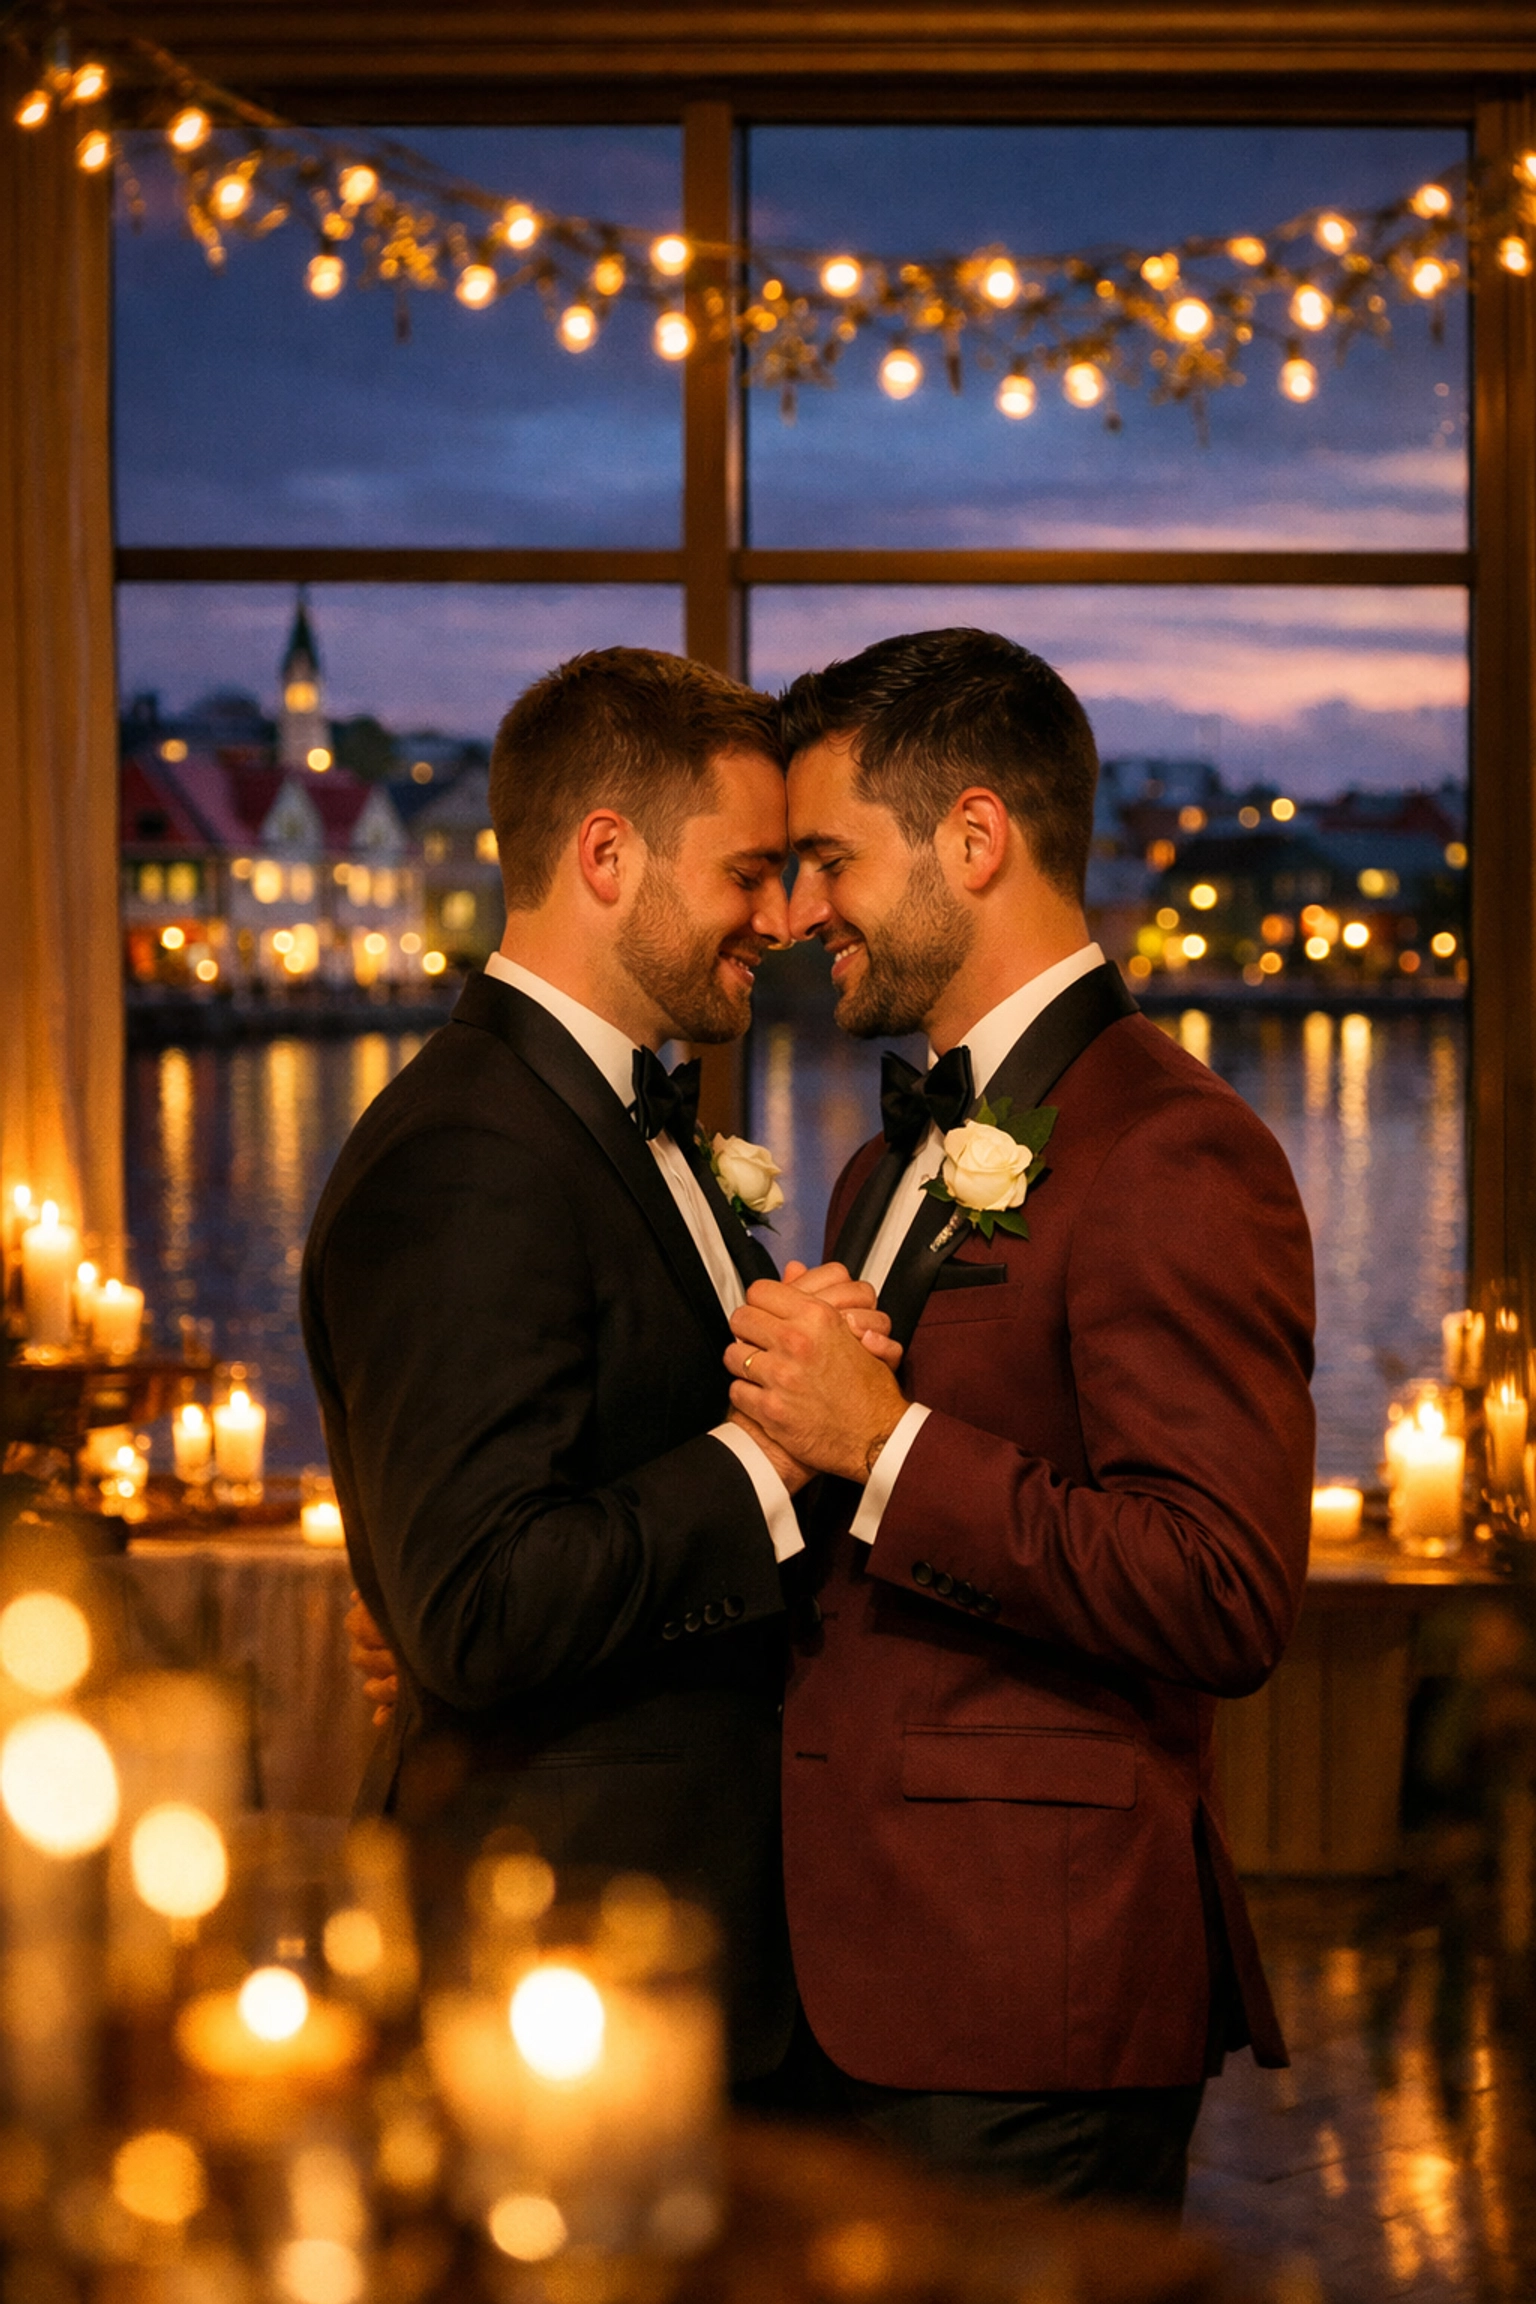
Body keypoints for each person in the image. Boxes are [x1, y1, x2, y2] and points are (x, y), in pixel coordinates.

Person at [723, 627, 1316, 2208]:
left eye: (829, 860)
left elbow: (1223, 1588)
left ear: (973, 839)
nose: (794, 915)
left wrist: (889, 1447)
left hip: (1024, 1999)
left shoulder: (1177, 1148)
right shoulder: (875, 1164)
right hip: (840, 1979)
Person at [303, 646, 889, 2087]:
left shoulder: (606, 1118)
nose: (785, 918)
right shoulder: (467, 1154)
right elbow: (478, 1611)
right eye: (748, 873)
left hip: (679, 1948)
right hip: (557, 1956)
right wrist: (775, 1455)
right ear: (607, 855)